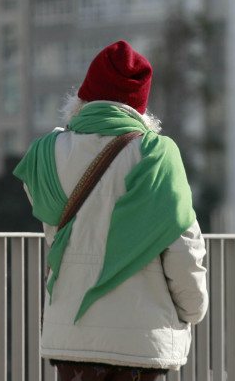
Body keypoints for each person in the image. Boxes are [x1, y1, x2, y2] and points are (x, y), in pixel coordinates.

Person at [14, 40, 208, 381]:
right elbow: (184, 249)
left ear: (84, 96)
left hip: (71, 337)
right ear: (140, 106)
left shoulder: (46, 153)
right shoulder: (157, 156)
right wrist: (193, 309)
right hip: (140, 342)